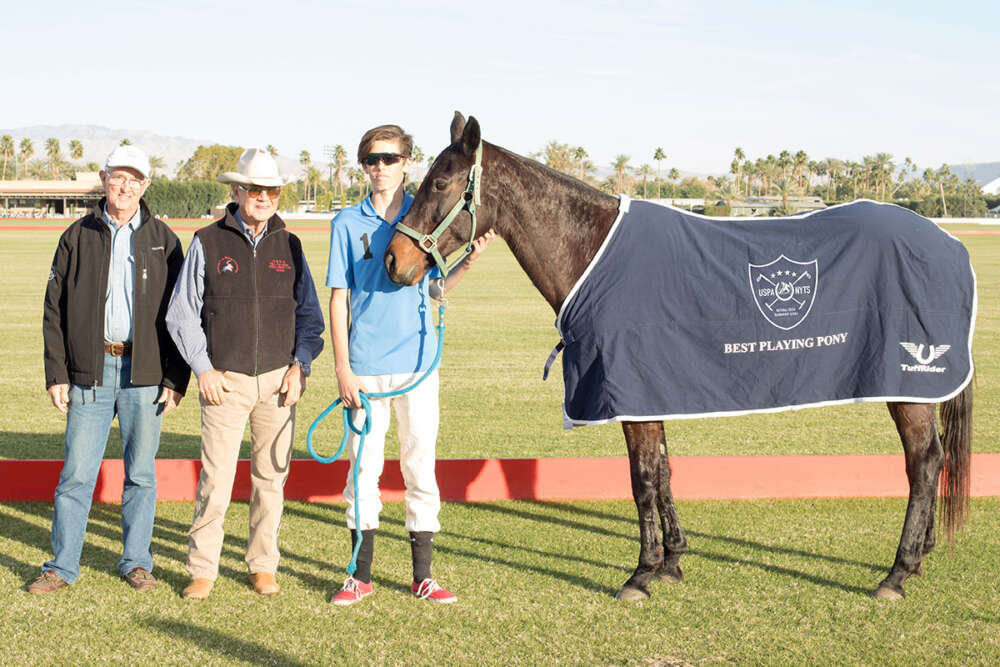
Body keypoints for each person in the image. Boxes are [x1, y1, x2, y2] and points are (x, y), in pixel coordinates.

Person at [326, 124, 494, 606]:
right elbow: (339, 300)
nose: (380, 168)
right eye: (371, 160)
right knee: (363, 472)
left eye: (389, 158)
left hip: (419, 364)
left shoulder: (422, 218)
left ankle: (423, 576)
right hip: (365, 366)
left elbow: (432, 290)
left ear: (406, 163)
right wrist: (342, 368)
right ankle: (359, 576)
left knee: (421, 466)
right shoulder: (346, 224)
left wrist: (464, 267)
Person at [166, 148, 325, 600]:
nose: (263, 197)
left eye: (271, 190)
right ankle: (203, 569)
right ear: (237, 191)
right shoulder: (207, 241)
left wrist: (301, 367)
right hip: (225, 382)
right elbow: (181, 315)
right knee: (216, 482)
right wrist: (204, 368)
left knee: (270, 481)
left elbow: (310, 317)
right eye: (255, 189)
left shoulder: (290, 245)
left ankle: (262, 564)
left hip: (279, 383)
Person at [32, 146, 189, 594]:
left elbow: (182, 315)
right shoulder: (77, 235)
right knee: (76, 475)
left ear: (146, 186)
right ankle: (61, 567)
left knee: (140, 474)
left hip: (145, 373)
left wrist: (175, 379)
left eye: (134, 180)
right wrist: (57, 372)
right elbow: (53, 310)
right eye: (118, 177)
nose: (125, 187)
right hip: (90, 370)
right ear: (104, 179)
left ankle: (137, 562)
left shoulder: (164, 238)